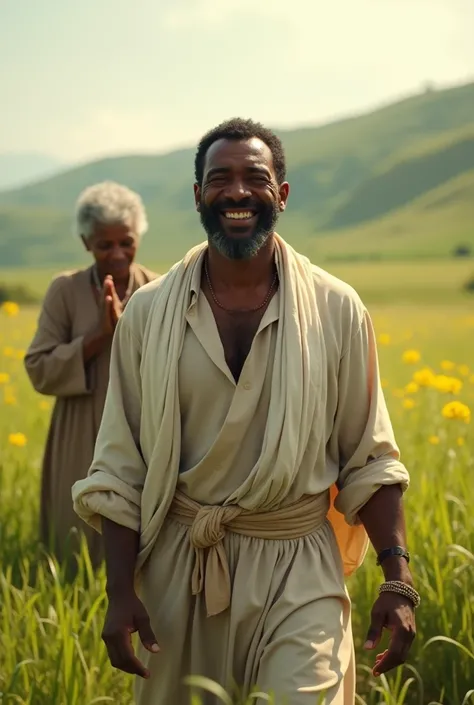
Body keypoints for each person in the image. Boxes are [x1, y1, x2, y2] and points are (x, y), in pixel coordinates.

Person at [72, 120, 418, 704]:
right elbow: (120, 468)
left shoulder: (337, 309)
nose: (236, 192)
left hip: (299, 560)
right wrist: (119, 592)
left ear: (281, 193)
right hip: (182, 567)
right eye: (219, 179)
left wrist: (399, 578)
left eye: (255, 177)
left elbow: (370, 458)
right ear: (198, 195)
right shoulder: (147, 315)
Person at [25, 181, 157, 572]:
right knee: (75, 540)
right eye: (105, 245)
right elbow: (38, 369)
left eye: (126, 242)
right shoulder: (64, 291)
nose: (117, 254)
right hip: (80, 430)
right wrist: (99, 336)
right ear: (86, 242)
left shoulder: (158, 289)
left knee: (144, 540)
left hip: (142, 430)